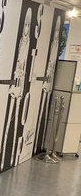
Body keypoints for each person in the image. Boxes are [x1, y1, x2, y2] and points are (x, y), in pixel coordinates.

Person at [1, 7, 32, 169]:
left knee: (14, 123)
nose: (26, 29)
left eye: (28, 26)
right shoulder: (21, 41)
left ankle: (12, 156)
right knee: (8, 121)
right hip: (15, 80)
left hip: (20, 83)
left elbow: (25, 66)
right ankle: (3, 159)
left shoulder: (28, 43)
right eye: (24, 25)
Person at [35, 16, 61, 151]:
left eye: (57, 31)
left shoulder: (56, 44)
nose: (56, 33)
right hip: (46, 78)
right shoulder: (52, 45)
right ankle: (36, 144)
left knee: (44, 112)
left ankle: (37, 144)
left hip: (49, 80)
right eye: (55, 30)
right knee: (40, 112)